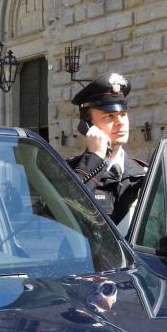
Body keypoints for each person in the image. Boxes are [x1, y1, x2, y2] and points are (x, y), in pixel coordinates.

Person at [67, 72, 147, 227]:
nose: (120, 122)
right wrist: (94, 158)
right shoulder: (70, 171)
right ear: (87, 126)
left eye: (123, 114)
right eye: (109, 116)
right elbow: (63, 211)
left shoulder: (144, 174)